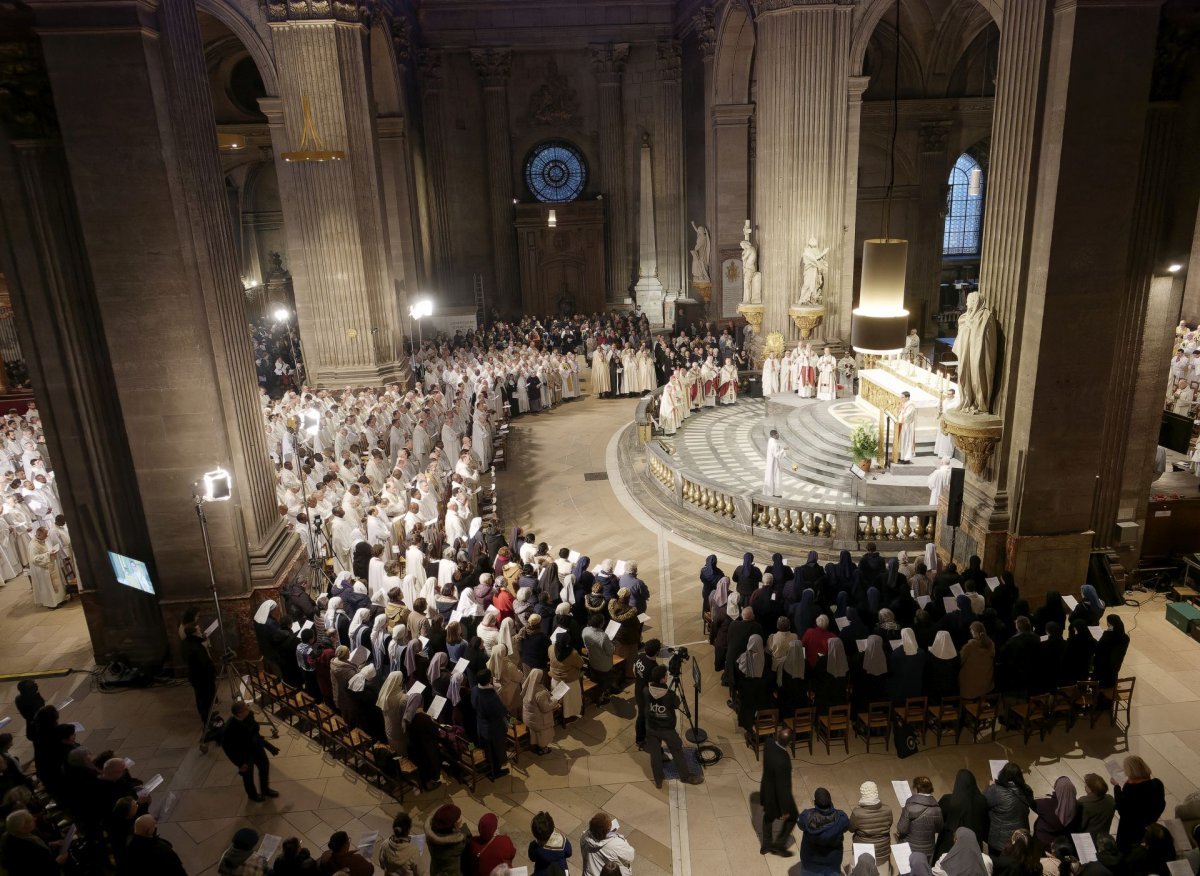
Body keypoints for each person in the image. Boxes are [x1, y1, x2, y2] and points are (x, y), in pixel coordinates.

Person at [644, 664, 703, 788]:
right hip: (667, 730)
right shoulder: (670, 695)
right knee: (677, 751)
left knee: (654, 754)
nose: (667, 676)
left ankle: (658, 780)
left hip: (650, 727)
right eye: (666, 675)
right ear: (663, 679)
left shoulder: (645, 691)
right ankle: (685, 777)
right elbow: (676, 704)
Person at [221, 700, 280, 801]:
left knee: (264, 767)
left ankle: (265, 789)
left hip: (256, 749)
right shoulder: (229, 728)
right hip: (244, 755)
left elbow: (255, 736)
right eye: (246, 708)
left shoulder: (249, 715)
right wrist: (240, 763)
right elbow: (229, 749)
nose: (249, 708)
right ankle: (252, 795)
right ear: (239, 713)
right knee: (248, 776)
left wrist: (269, 747)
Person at [1113, 755, 1166, 852]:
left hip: (1129, 830)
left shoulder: (1131, 790)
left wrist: (1117, 787)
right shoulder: (1157, 784)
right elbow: (1162, 805)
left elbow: (1121, 809)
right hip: (1148, 826)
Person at [759, 726, 797, 856]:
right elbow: (783, 788)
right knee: (793, 817)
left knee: (768, 818)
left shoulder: (768, 744)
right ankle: (779, 846)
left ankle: (765, 846)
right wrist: (785, 810)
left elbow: (769, 739)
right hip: (776, 797)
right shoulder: (784, 761)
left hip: (766, 790)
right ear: (789, 743)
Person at [936, 769, 989, 858]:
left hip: (949, 844)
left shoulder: (947, 800)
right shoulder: (982, 801)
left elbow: (939, 820)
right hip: (974, 843)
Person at [985, 762, 1034, 856]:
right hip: (1021, 840)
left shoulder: (995, 790)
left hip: (1000, 842)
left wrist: (990, 787)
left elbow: (983, 802)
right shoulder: (1027, 789)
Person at [798, 787, 850, 875]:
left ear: (815, 802)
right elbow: (846, 827)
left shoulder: (805, 817)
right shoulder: (841, 818)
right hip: (833, 862)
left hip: (809, 862)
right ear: (830, 801)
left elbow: (800, 825)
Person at [471, 669, 510, 779]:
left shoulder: (474, 689)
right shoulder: (490, 698)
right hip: (493, 729)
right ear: (489, 680)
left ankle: (490, 767)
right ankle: (496, 772)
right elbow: (501, 711)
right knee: (496, 751)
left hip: (481, 725)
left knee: (488, 750)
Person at [0, 808, 66, 873]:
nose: (35, 819)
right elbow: (36, 869)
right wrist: (57, 863)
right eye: (30, 820)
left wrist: (51, 844)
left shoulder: (20, 835)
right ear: (22, 828)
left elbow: (36, 847)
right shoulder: (20, 850)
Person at [896, 776, 944, 860]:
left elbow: (902, 829)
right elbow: (939, 829)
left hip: (910, 848)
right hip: (928, 851)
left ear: (916, 789)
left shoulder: (910, 806)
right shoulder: (937, 809)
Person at [851, 781, 894, 871]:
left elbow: (851, 828)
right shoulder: (888, 810)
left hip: (863, 849)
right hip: (882, 850)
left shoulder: (857, 813)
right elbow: (889, 825)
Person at [181, 621, 218, 726]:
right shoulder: (196, 647)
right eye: (198, 630)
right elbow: (204, 663)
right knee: (206, 698)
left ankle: (208, 714)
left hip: (195, 676)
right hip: (203, 677)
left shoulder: (185, 643)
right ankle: (207, 719)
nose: (200, 630)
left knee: (201, 697)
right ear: (194, 633)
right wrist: (212, 673)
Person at [1033, 775, 1078, 848]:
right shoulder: (1077, 806)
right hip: (1062, 845)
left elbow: (1032, 803)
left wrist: (1052, 796)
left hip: (1043, 843)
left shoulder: (1046, 804)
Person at [426, 805, 472, 876]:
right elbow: (468, 840)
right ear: (453, 824)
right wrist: (461, 828)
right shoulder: (457, 845)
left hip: (436, 870)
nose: (460, 818)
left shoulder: (431, 835)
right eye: (459, 817)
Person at [633, 639, 661, 750]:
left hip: (638, 689)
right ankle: (640, 739)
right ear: (657, 652)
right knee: (642, 716)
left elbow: (634, 671)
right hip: (645, 696)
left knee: (642, 715)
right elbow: (653, 687)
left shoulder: (639, 657)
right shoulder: (654, 668)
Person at [522, 668, 556, 755]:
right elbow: (545, 708)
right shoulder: (540, 693)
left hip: (529, 718)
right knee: (543, 736)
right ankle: (543, 748)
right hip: (540, 720)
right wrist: (555, 702)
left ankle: (535, 745)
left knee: (535, 734)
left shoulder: (527, 686)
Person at [529, 810, 573, 876]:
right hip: (561, 871)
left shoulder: (535, 846)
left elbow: (532, 858)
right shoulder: (563, 841)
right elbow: (569, 853)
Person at [1076, 773, 1115, 838]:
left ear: (1091, 788)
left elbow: (1079, 825)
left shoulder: (1083, 802)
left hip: (1088, 841)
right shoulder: (1110, 799)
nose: (1085, 786)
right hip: (1104, 839)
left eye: (1086, 784)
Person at [764, 429, 787, 496]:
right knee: (776, 478)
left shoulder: (770, 441)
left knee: (770, 477)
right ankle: (776, 493)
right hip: (774, 464)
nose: (779, 435)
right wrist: (783, 449)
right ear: (775, 435)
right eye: (777, 434)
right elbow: (777, 455)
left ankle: (770, 491)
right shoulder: (774, 444)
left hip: (770, 463)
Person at [897, 392, 917, 464]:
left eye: (902, 397)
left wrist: (900, 417)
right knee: (903, 441)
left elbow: (908, 415)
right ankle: (902, 457)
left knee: (907, 441)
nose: (901, 398)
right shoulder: (905, 404)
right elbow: (901, 413)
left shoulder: (911, 405)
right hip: (903, 425)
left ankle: (906, 458)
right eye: (901, 397)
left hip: (907, 425)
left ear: (907, 397)